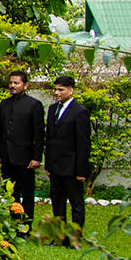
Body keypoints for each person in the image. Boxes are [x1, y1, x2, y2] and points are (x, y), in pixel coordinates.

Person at [0, 70, 44, 235]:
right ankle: (13, 225)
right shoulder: (5, 104)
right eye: (11, 83)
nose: (12, 86)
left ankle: (26, 228)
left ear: (25, 85)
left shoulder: (34, 105)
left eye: (16, 83)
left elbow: (39, 133)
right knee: (10, 193)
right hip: (7, 157)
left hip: (25, 157)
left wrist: (37, 157)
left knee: (27, 193)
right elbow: (0, 131)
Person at [43, 75, 91, 243]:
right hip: (55, 166)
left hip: (72, 167)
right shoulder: (52, 109)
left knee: (76, 203)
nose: (57, 93)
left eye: (60, 90)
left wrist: (81, 170)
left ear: (71, 90)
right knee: (57, 202)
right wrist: (47, 163)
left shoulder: (80, 112)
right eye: (55, 89)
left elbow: (83, 143)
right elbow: (49, 139)